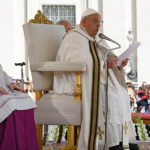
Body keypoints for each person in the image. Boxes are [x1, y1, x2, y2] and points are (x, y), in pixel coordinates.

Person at [53, 8, 139, 150]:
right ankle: (107, 143)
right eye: (95, 22)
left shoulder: (97, 38)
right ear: (84, 22)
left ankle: (121, 140)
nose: (98, 25)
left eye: (100, 22)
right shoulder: (74, 36)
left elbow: (106, 56)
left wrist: (118, 62)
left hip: (96, 79)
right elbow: (76, 61)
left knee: (121, 93)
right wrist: (105, 64)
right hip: (76, 80)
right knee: (109, 95)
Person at [0, 64, 38, 150]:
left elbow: (3, 74)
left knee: (26, 99)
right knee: (11, 104)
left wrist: (11, 84)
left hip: (5, 90)